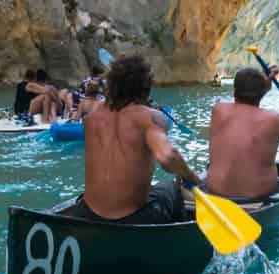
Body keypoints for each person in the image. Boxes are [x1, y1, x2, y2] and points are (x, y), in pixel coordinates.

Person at [77, 53, 205, 224]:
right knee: (172, 188)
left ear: (112, 84)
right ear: (146, 86)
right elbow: (167, 157)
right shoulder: (151, 118)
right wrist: (192, 178)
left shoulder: (91, 116)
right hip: (132, 219)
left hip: (88, 213)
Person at [204, 67, 279, 203]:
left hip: (216, 193)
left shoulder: (218, 110)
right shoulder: (276, 120)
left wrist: (263, 86)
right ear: (261, 92)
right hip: (257, 197)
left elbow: (249, 97)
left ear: (234, 90)